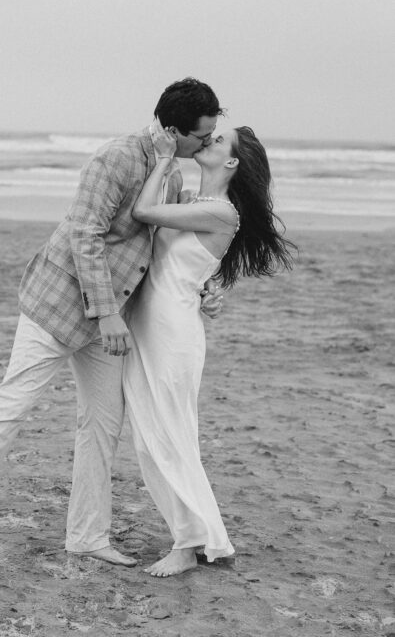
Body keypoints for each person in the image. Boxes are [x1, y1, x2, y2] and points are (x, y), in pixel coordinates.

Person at [0, 78, 224, 579]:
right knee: (10, 407)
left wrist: (204, 288)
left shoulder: (171, 174)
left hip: (111, 319)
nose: (205, 147)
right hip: (59, 304)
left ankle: (87, 537)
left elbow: (157, 249)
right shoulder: (117, 158)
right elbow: (84, 234)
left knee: (103, 425)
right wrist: (105, 311)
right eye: (200, 137)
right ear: (173, 131)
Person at [123, 125, 296, 578]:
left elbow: (142, 211)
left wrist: (164, 157)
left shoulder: (221, 211)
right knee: (150, 436)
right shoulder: (193, 205)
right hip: (151, 323)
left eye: (218, 142)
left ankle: (190, 542)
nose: (208, 142)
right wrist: (208, 289)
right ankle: (194, 534)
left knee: (172, 435)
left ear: (232, 163)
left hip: (173, 331)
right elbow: (178, 264)